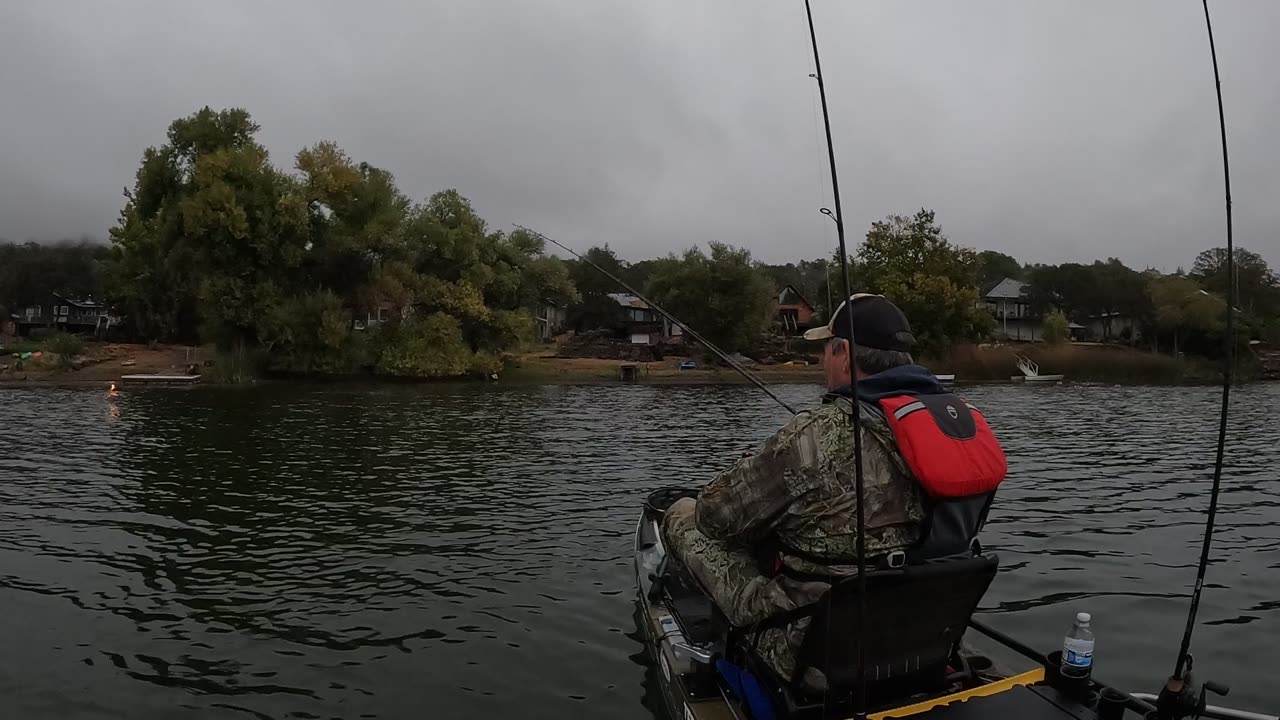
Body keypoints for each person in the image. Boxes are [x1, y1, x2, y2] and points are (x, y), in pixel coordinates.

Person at [662, 294, 972, 686]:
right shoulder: (953, 426)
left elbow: (714, 517)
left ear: (843, 353)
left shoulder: (811, 435)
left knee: (682, 514)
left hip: (808, 647)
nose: (822, 360)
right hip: (919, 629)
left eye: (826, 349)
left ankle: (718, 639)